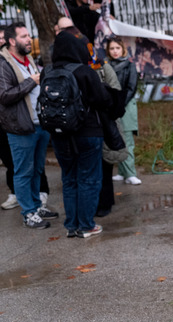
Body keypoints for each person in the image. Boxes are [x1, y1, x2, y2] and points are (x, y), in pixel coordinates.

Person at [48, 30, 112, 238]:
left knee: (69, 178)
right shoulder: (84, 71)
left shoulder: (47, 73)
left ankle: (71, 226)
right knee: (89, 178)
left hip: (59, 134)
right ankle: (86, 225)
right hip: (87, 132)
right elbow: (103, 100)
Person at [0, 22, 59, 228]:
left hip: (40, 125)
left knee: (37, 170)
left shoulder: (29, 59)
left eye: (28, 35)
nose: (29, 39)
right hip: (20, 128)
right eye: (24, 36)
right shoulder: (3, 64)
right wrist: (31, 82)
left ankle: (36, 205)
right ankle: (28, 213)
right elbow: (4, 96)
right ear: (12, 41)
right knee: (23, 171)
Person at [107, 36, 141, 186]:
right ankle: (122, 171)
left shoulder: (129, 66)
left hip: (125, 107)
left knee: (127, 139)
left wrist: (119, 104)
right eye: (112, 48)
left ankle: (130, 173)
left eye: (117, 48)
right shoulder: (107, 66)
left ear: (122, 49)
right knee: (116, 138)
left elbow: (131, 88)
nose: (115, 51)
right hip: (112, 107)